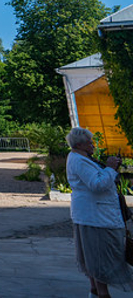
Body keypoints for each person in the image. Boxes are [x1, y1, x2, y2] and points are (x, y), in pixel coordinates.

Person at [67, 126, 132, 297]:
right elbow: (96, 184)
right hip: (95, 218)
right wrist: (110, 168)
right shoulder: (79, 160)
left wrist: (110, 170)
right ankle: (101, 293)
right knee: (99, 258)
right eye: (90, 142)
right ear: (80, 144)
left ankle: (96, 291)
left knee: (93, 257)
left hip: (92, 215)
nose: (93, 145)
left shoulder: (81, 157)